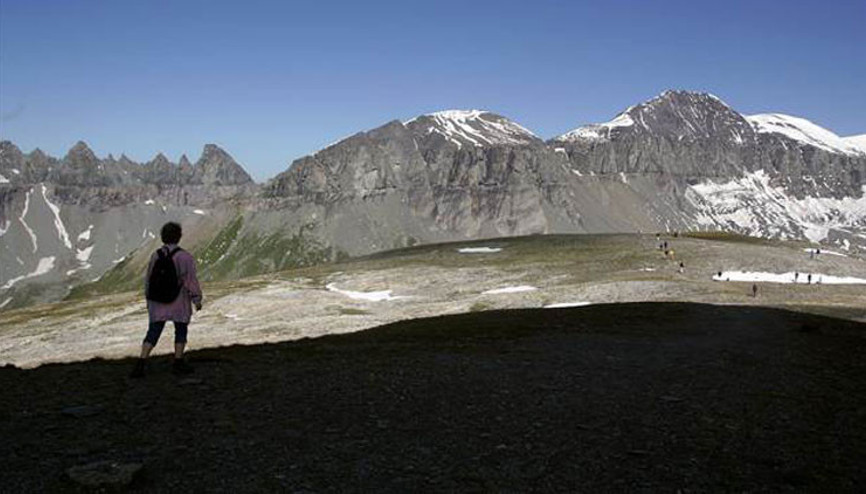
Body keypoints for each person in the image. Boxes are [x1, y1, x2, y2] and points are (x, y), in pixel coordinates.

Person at [130, 222, 203, 378]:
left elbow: (149, 279)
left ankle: (141, 362)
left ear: (163, 237)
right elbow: (191, 281)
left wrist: (149, 299)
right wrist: (197, 299)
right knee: (181, 330)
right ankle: (178, 362)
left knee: (153, 331)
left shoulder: (156, 255)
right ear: (179, 237)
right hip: (178, 301)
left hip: (157, 301)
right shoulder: (185, 257)